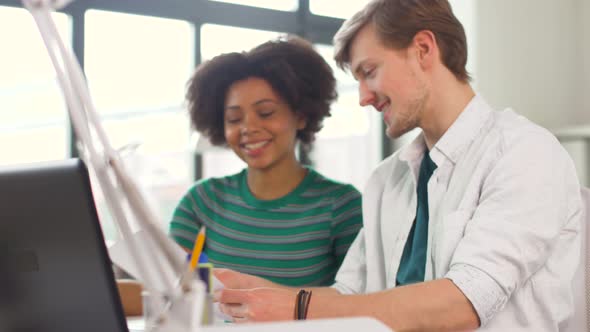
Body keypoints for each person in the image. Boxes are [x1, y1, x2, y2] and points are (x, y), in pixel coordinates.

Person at [213, 0, 583, 331]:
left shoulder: (524, 153)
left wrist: (295, 306)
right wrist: (252, 293)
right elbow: (349, 296)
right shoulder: (388, 179)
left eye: (369, 71)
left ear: (423, 49)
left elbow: (464, 303)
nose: (363, 97)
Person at [168, 35, 363, 287]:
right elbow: (167, 289)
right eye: (234, 119)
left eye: (266, 113)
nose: (248, 128)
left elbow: (358, 301)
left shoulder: (342, 206)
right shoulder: (202, 201)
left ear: (301, 116)